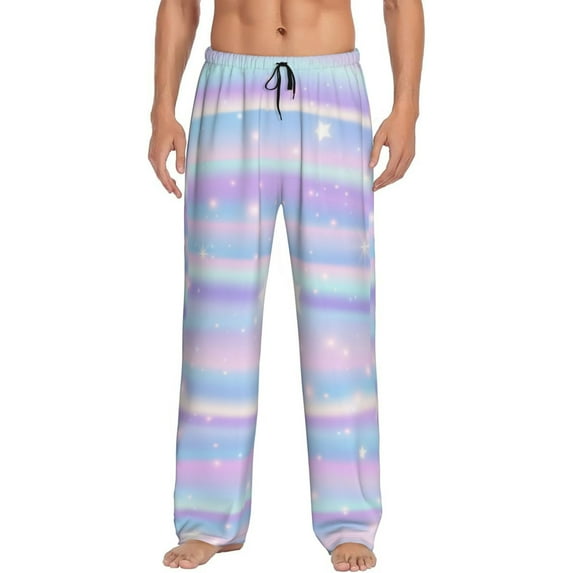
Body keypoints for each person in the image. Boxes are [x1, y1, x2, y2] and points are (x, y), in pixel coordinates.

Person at [148, 0, 424, 570]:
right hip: (229, 89)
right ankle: (208, 518)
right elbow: (179, 3)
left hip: (330, 91)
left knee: (340, 321)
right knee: (215, 321)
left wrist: (407, 108)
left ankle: (350, 520)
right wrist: (161, 109)